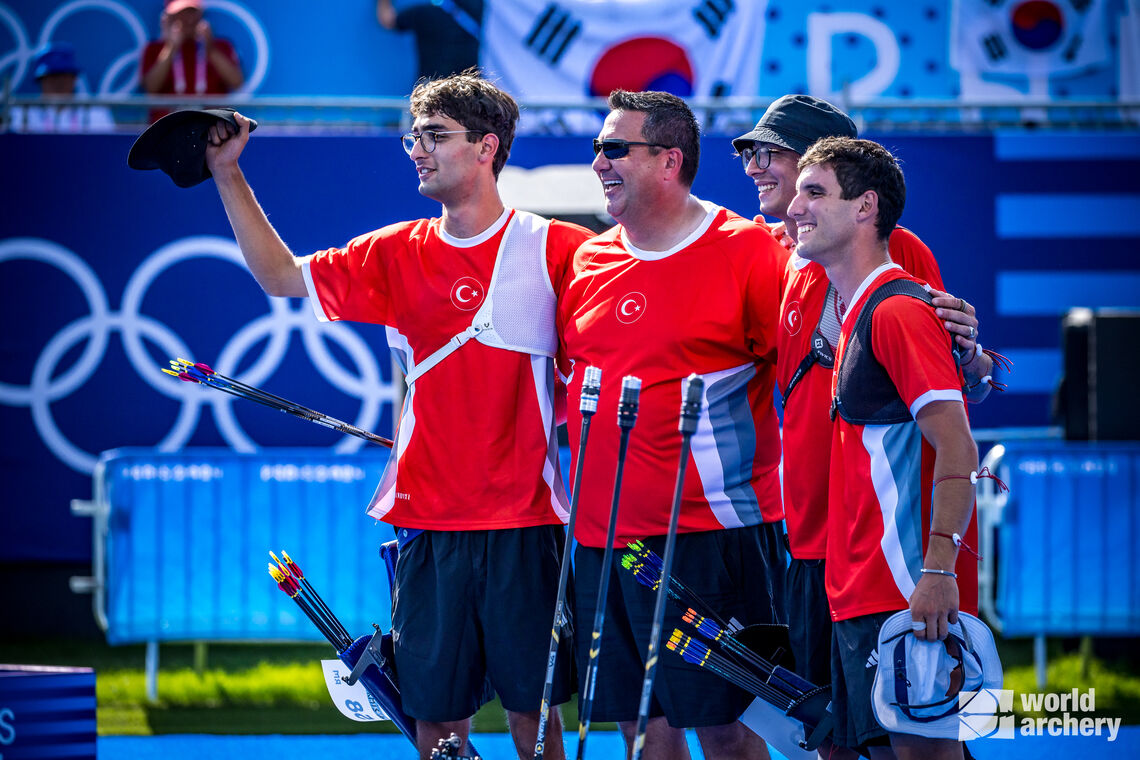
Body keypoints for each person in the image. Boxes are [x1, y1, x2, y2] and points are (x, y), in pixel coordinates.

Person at [203, 71, 589, 760]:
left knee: (537, 728)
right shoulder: (393, 252)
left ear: (486, 147)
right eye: (415, 136)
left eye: (436, 136)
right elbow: (282, 278)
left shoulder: (560, 250)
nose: (418, 149)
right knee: (436, 731)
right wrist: (227, 174)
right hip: (428, 524)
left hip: (527, 524)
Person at [730, 94, 993, 758]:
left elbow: (946, 401)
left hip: (890, 556)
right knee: (837, 738)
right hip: (816, 550)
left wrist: (939, 563)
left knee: (915, 737)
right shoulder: (776, 256)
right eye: (751, 152)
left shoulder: (895, 260)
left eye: (773, 153)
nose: (757, 167)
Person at [558, 89, 787, 760]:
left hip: (710, 539)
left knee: (725, 727)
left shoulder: (749, 251)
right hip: (605, 544)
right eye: (597, 147)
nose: (597, 162)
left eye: (613, 148)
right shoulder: (587, 262)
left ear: (668, 160)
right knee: (642, 731)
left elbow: (813, 379)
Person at [788, 136, 978, 759]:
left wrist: (938, 572)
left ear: (866, 207)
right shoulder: (857, 313)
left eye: (814, 192)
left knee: (927, 755)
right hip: (863, 592)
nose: (795, 207)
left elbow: (957, 448)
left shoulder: (895, 313)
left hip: (903, 593)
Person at [141, 0, 244, 121]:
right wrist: (171, 48)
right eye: (181, 14)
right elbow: (151, 87)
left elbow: (237, 82)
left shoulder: (221, 46)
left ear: (201, 16)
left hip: (212, 127)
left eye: (192, 13)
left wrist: (210, 49)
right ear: (169, 19)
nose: (188, 20)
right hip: (168, 127)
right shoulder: (154, 49)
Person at [8, 42, 115, 133]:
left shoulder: (97, 114)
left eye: (64, 75)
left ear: (74, 79)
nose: (59, 82)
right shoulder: (21, 114)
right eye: (53, 76)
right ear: (40, 80)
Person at [376, 0, 482, 82]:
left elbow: (388, 20)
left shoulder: (424, 14)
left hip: (432, 87)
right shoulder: (480, 12)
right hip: (469, 87)